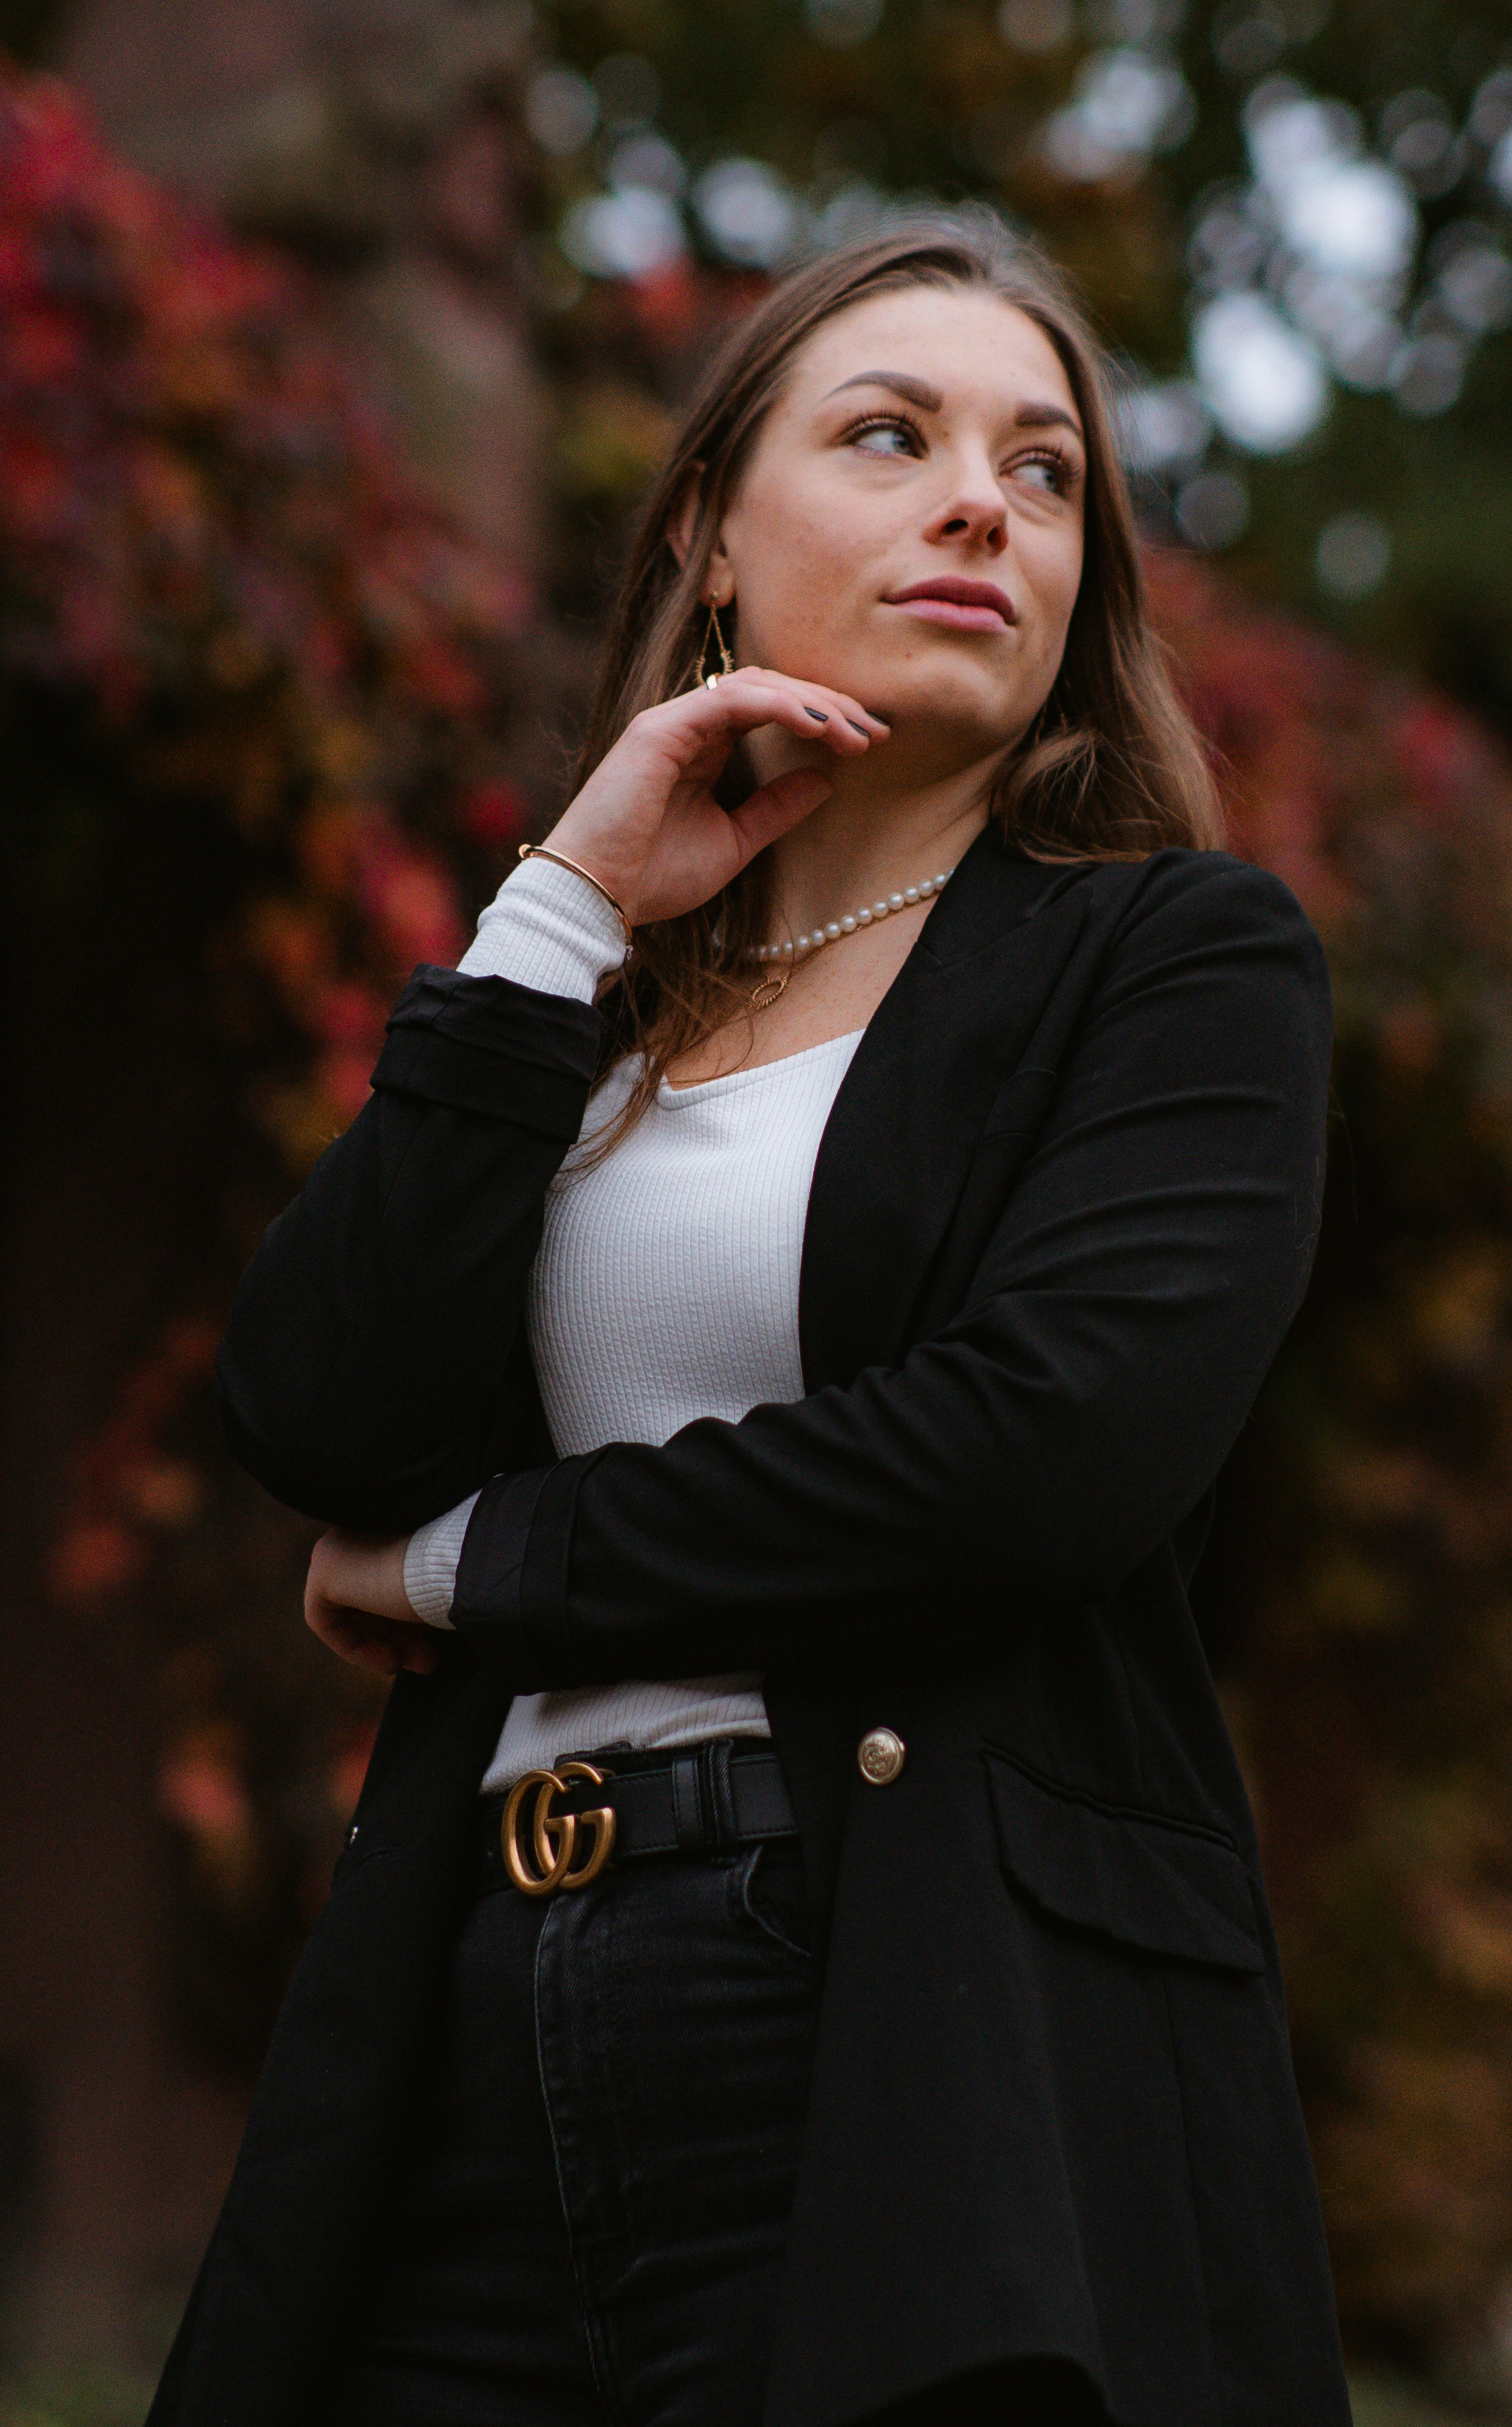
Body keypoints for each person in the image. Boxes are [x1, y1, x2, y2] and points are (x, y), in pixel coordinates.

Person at [148, 216, 1350, 2427]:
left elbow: (1029, 1455)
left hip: (890, 2036)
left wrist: (478, 1566)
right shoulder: (594, 1010)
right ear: (707, 531)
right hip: (469, 2016)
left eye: (1046, 468)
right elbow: (316, 1408)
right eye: (888, 436)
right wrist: (561, 911)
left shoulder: (1175, 964)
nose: (983, 500)